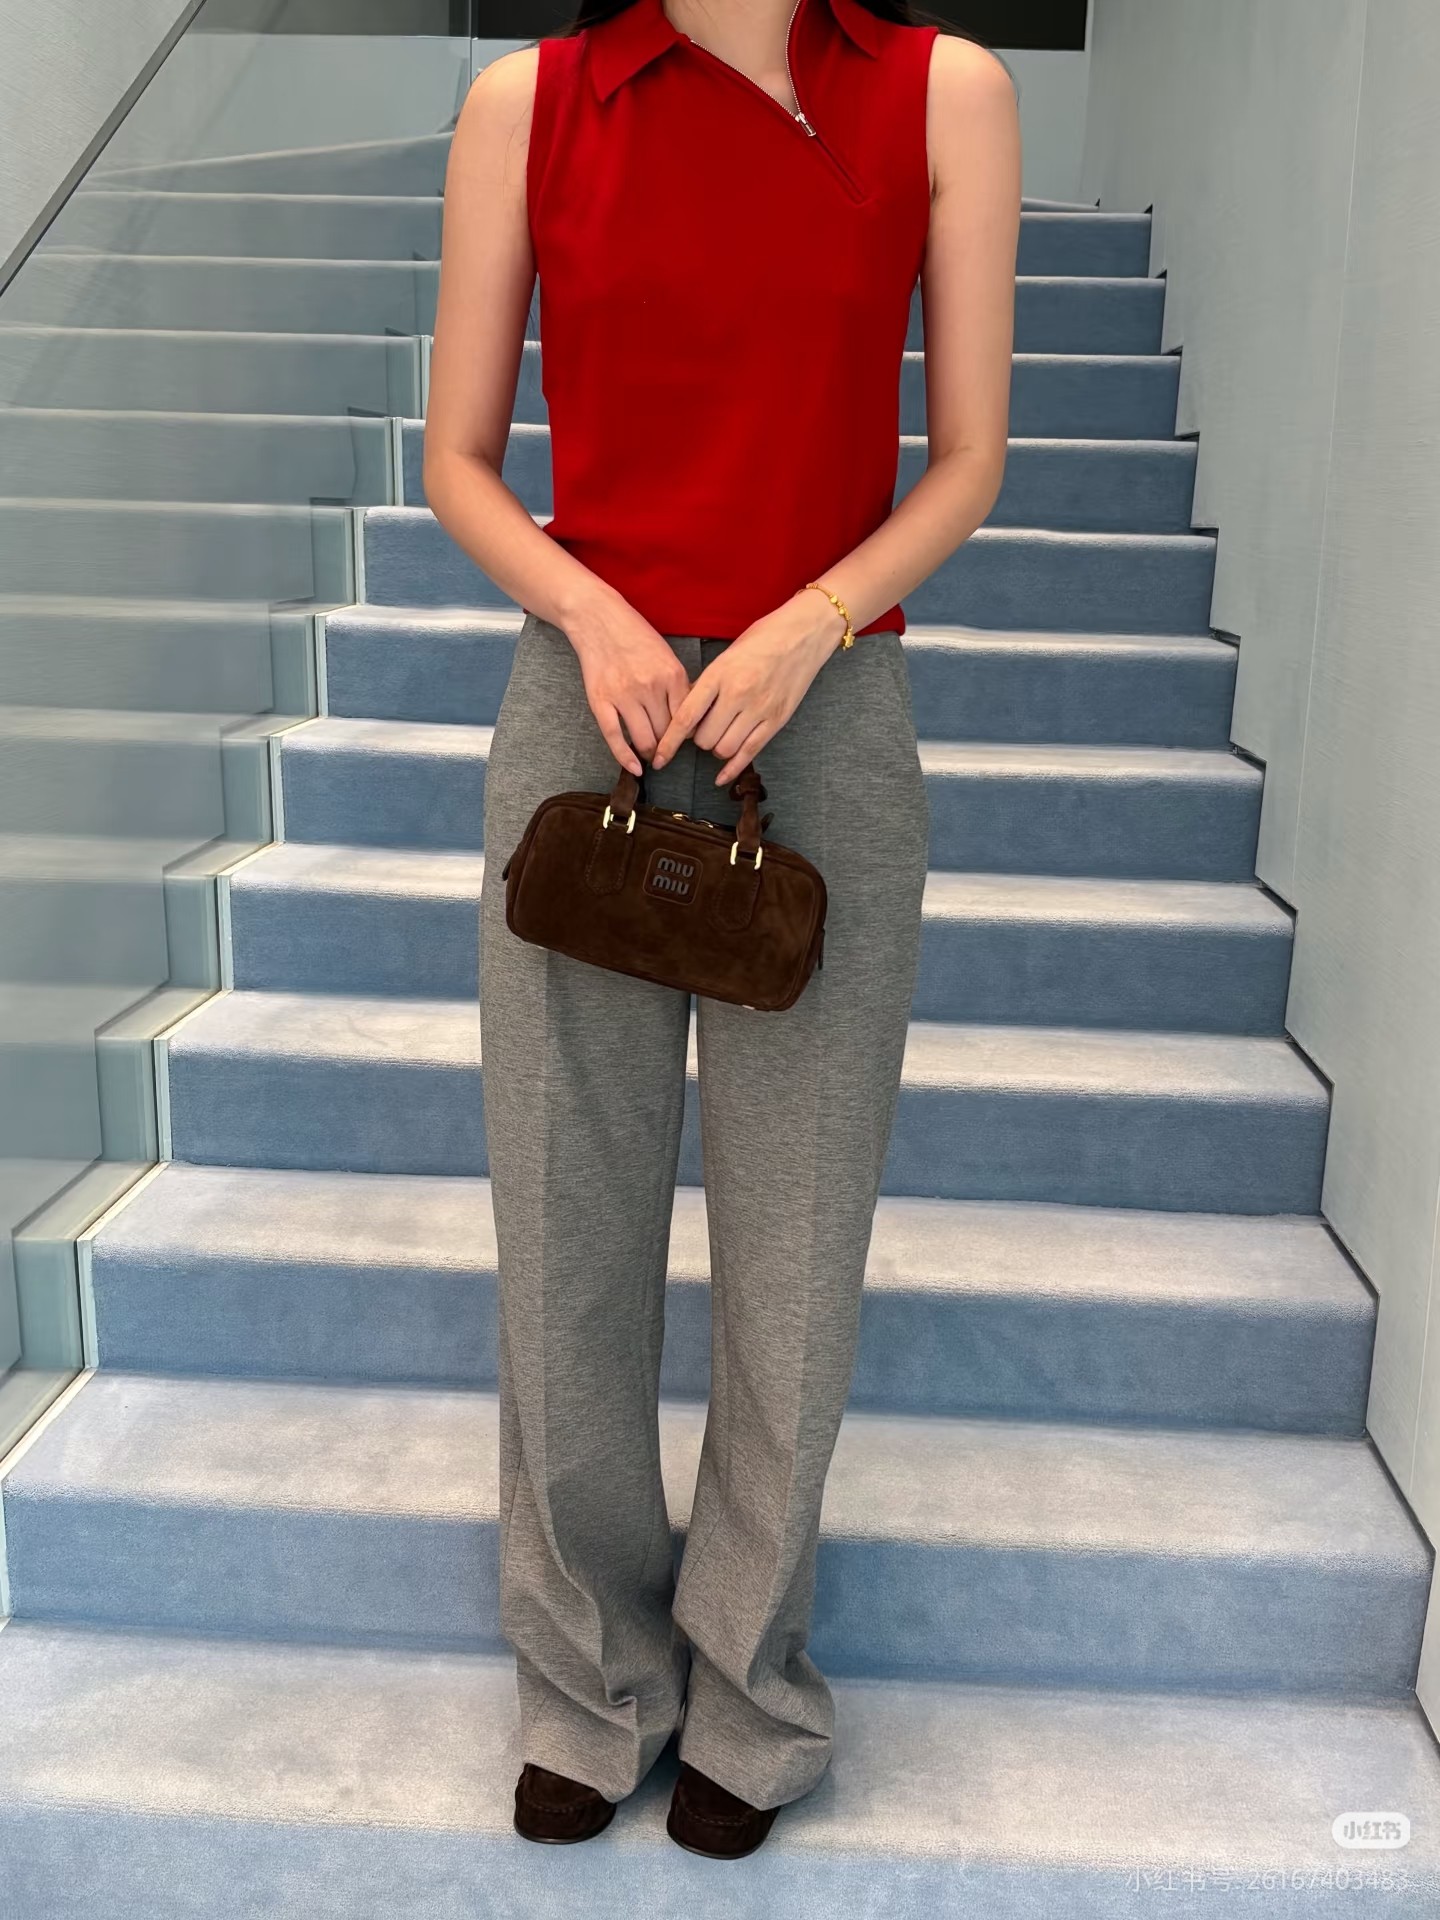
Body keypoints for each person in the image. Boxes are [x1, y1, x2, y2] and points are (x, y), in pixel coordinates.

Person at [423, 0, 1020, 1862]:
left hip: (821, 717)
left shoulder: (943, 93)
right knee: (564, 1220)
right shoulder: (531, 101)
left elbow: (970, 455)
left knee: (796, 1238)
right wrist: (593, 612)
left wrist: (811, 622)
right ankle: (587, 1683)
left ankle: (750, 1698)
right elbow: (455, 459)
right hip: (586, 705)